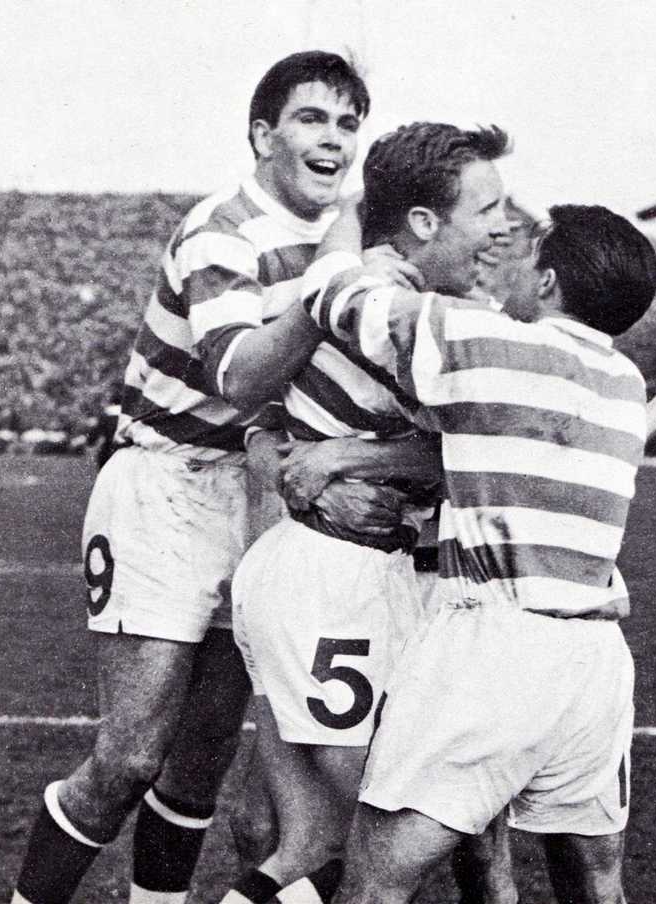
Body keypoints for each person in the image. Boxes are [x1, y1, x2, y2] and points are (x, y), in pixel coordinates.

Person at [226, 122, 656, 904]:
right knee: (596, 883)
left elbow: (338, 297)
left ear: (551, 283)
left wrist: (357, 231)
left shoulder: (484, 345)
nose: (505, 246)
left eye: (527, 250)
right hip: (595, 664)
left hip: (496, 645)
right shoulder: (623, 385)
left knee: (373, 878)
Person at [9, 51, 403, 904]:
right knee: (128, 759)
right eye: (311, 118)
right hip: (167, 483)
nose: (334, 139)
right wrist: (332, 285)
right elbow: (240, 375)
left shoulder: (343, 242)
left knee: (200, 762)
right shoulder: (224, 230)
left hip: (259, 494)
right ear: (263, 135)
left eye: (348, 123)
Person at [222, 124, 517, 904]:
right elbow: (475, 462)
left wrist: (336, 457)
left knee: (313, 842)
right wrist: (321, 460)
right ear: (422, 221)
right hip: (331, 579)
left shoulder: (362, 280)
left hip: (332, 572)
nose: (506, 225)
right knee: (398, 822)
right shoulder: (401, 314)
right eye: (488, 208)